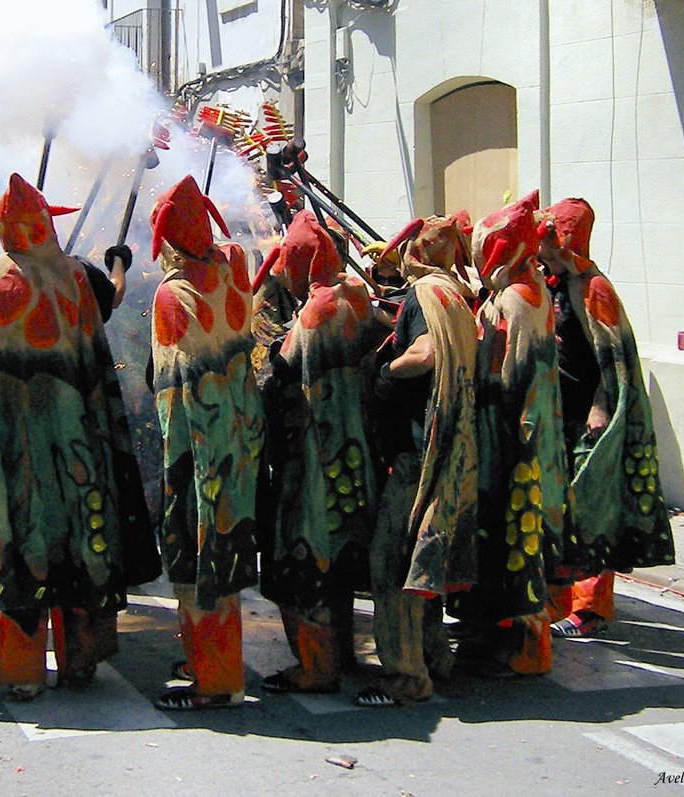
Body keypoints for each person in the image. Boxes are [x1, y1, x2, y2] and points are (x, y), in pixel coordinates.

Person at [0, 173, 158, 698]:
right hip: (76, 443)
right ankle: (80, 661)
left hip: (4, 449)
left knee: (14, 538)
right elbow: (111, 299)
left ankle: (20, 670)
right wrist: (118, 264)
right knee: (77, 539)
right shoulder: (76, 277)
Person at [250, 210, 380, 695]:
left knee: (303, 562)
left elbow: (272, 383)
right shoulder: (359, 299)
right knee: (344, 559)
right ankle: (343, 652)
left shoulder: (311, 314)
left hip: (310, 458)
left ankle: (315, 667)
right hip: (357, 452)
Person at [149, 175, 264, 710]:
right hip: (239, 443)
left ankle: (217, 682)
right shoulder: (229, 273)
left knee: (203, 561)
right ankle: (204, 662)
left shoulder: (173, 293)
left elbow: (177, 382)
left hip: (197, 451)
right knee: (222, 558)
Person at [536, 197, 675, 637]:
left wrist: (601, 405)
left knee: (590, 508)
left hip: (589, 416)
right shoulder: (553, 283)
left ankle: (592, 605)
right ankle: (557, 598)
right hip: (559, 412)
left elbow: (614, 359)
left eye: (554, 246)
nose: (547, 255)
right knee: (560, 510)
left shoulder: (594, 289)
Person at [357, 214, 479, 706]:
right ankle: (435, 655)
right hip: (452, 448)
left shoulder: (422, 297)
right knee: (425, 560)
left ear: (417, 253)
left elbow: (426, 352)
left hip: (417, 454)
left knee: (392, 562)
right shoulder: (454, 294)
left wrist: (386, 370)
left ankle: (406, 677)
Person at [447, 190, 569, 677]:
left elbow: (506, 372)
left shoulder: (516, 300)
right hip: (531, 428)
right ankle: (499, 632)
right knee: (511, 537)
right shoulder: (530, 288)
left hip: (511, 431)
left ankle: (530, 648)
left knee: (516, 535)